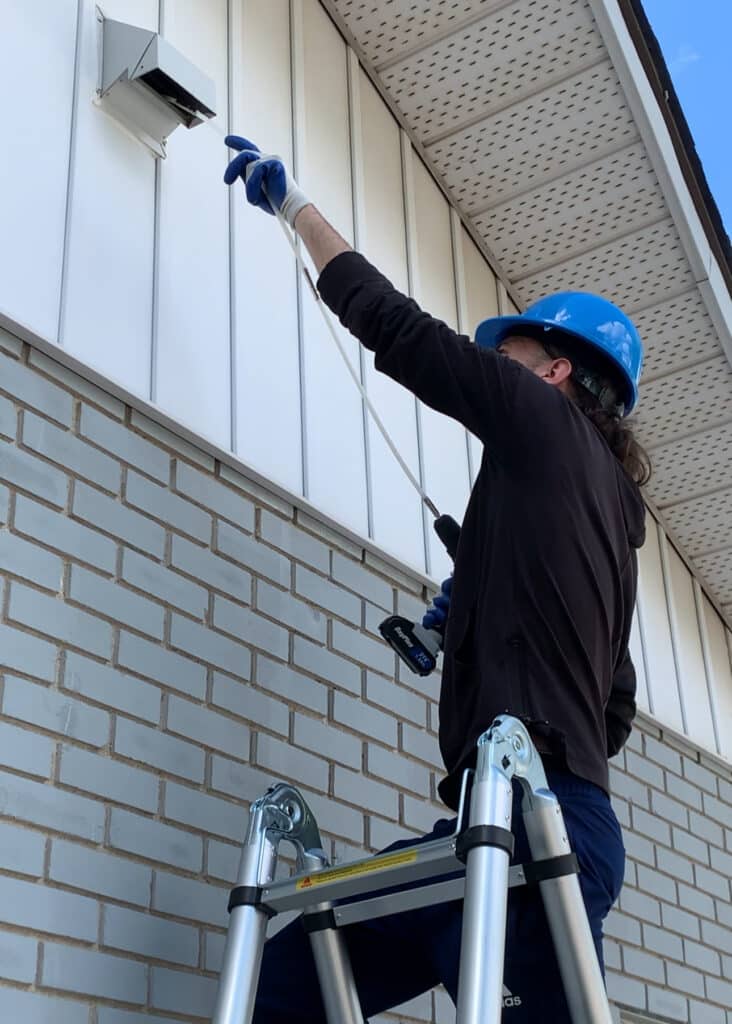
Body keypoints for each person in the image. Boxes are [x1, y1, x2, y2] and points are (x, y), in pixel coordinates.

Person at [223, 136, 650, 1021]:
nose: (506, 366)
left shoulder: (535, 416)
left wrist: (295, 206)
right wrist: (476, 618)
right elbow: (612, 710)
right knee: (296, 975)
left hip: (530, 827)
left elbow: (400, 329)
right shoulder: (611, 525)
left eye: (518, 354)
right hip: (515, 826)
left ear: (558, 370)